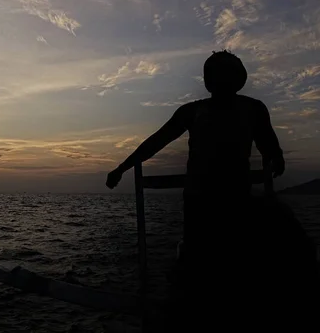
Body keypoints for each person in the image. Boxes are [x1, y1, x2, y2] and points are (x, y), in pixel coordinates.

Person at [105, 50, 291, 330]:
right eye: (216, 73)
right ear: (208, 80)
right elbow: (156, 141)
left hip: (237, 200)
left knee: (237, 266)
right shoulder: (192, 112)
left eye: (228, 72)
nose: (222, 78)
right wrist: (122, 167)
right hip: (199, 201)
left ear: (239, 78)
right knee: (198, 267)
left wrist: (276, 157)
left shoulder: (254, 109)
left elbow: (268, 145)